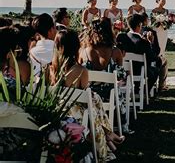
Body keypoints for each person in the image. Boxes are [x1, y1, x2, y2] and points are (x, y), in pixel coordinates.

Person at [50, 30, 124, 162]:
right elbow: (85, 97)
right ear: (76, 47)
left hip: (57, 110)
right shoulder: (81, 71)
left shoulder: (50, 69)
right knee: (93, 101)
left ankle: (108, 135)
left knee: (95, 99)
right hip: (75, 115)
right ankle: (108, 134)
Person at [117, 14, 160, 93]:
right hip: (139, 71)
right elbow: (152, 57)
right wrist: (151, 42)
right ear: (139, 25)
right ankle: (143, 92)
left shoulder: (121, 37)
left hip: (124, 70)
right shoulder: (143, 42)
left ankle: (137, 89)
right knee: (156, 71)